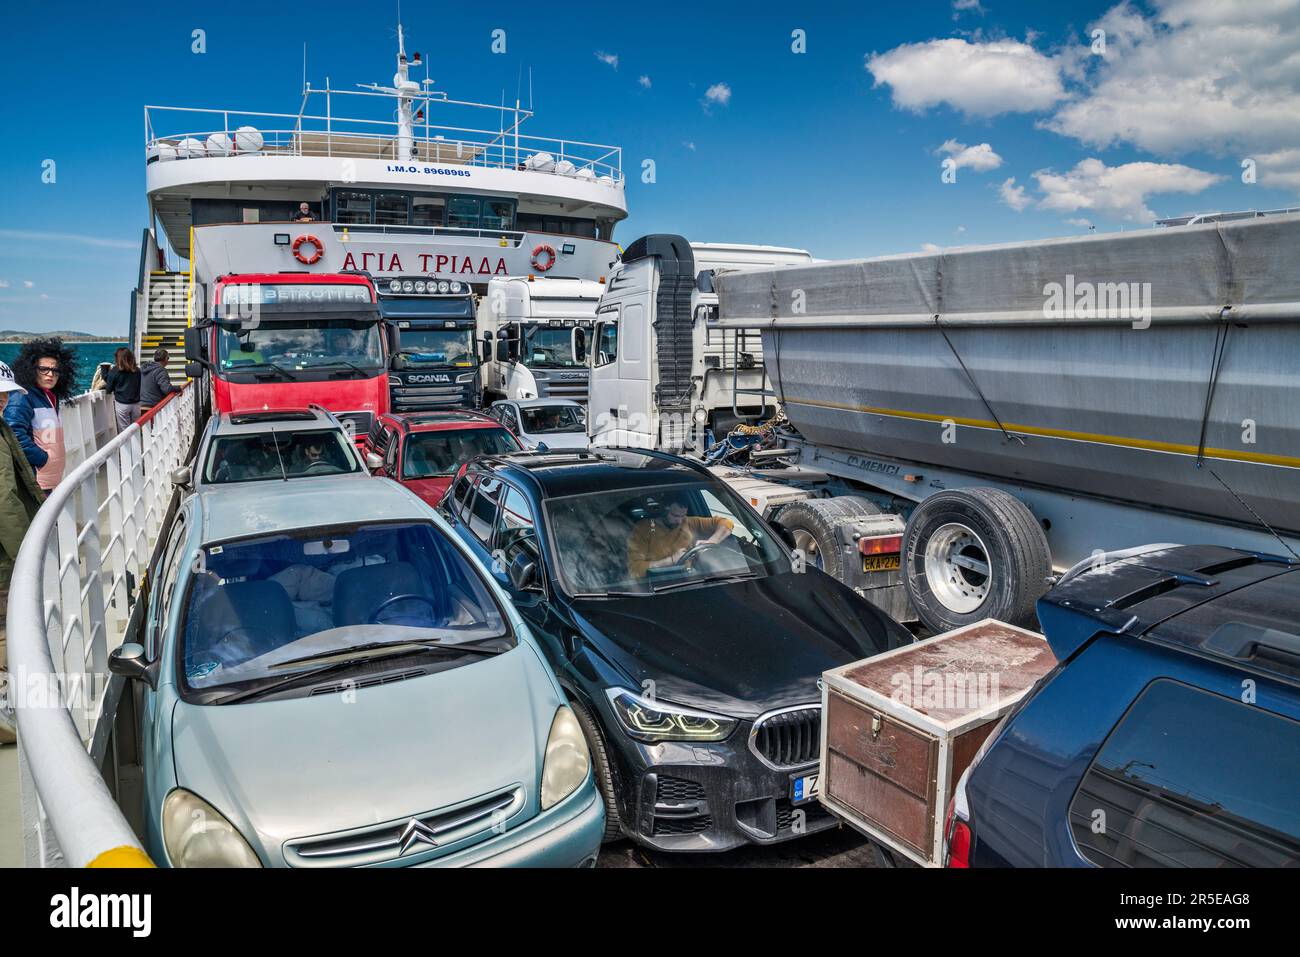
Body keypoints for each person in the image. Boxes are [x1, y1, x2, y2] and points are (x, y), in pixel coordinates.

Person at [0, 361, 45, 744]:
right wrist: (24, 556)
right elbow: (5, 500)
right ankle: (8, 711)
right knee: (5, 630)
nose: (4, 401)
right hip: (4, 558)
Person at [3, 337, 75, 492]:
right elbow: (13, 433)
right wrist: (43, 460)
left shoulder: (50, 396)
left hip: (51, 479)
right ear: (31, 369)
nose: (50, 375)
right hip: (37, 481)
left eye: (55, 371)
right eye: (44, 369)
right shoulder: (22, 396)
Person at [627, 492, 733, 579]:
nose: (679, 521)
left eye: (683, 515)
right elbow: (634, 570)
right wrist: (671, 560)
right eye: (675, 515)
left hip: (690, 580)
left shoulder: (687, 522)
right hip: (657, 585)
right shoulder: (643, 529)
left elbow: (727, 523)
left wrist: (712, 541)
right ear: (663, 510)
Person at [102, 347, 142, 431]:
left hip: (122, 404)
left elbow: (109, 390)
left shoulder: (115, 371)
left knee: (125, 431)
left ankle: (128, 444)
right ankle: (137, 444)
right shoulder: (137, 371)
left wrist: (106, 376)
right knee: (136, 429)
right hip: (136, 404)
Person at [138, 348, 179, 414]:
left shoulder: (143, 369)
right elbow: (167, 389)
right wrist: (179, 388)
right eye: (168, 358)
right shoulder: (161, 370)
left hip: (140, 405)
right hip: (153, 406)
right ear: (165, 359)